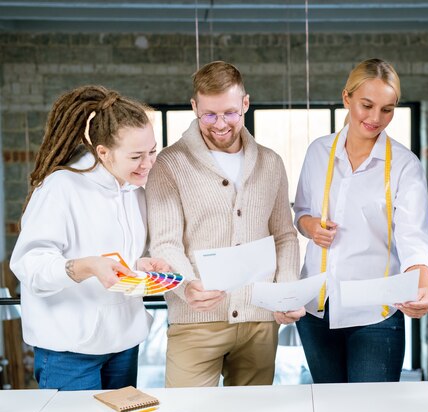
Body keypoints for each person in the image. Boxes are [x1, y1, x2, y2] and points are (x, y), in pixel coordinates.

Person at [145, 61, 303, 388]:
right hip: (194, 321)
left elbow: (285, 236)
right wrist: (186, 285)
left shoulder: (271, 162)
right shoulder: (169, 164)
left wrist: (286, 291)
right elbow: (164, 243)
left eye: (230, 113)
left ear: (245, 103)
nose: (220, 124)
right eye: (209, 115)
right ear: (194, 107)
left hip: (259, 321)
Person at [10, 85, 170, 391]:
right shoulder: (61, 186)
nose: (148, 163)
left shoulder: (132, 189)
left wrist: (141, 263)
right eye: (136, 156)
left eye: (152, 151)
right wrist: (87, 267)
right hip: (69, 350)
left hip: (123, 343)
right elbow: (30, 266)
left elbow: (117, 256)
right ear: (103, 152)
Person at [293, 58, 428, 383]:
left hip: (376, 315)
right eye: (366, 105)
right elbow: (301, 213)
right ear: (347, 98)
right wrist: (311, 226)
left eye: (387, 109)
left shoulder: (404, 165)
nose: (375, 118)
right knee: (328, 407)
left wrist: (422, 283)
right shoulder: (318, 152)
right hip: (317, 311)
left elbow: (415, 239)